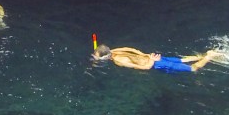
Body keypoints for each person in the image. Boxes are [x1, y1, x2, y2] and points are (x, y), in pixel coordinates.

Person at [93, 44, 221, 73]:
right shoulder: (115, 51)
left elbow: (146, 68)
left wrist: (152, 60)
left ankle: (209, 56)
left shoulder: (118, 61)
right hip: (152, 57)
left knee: (193, 69)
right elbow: (130, 49)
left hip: (156, 63)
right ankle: (208, 55)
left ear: (106, 57)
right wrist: (146, 55)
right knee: (182, 60)